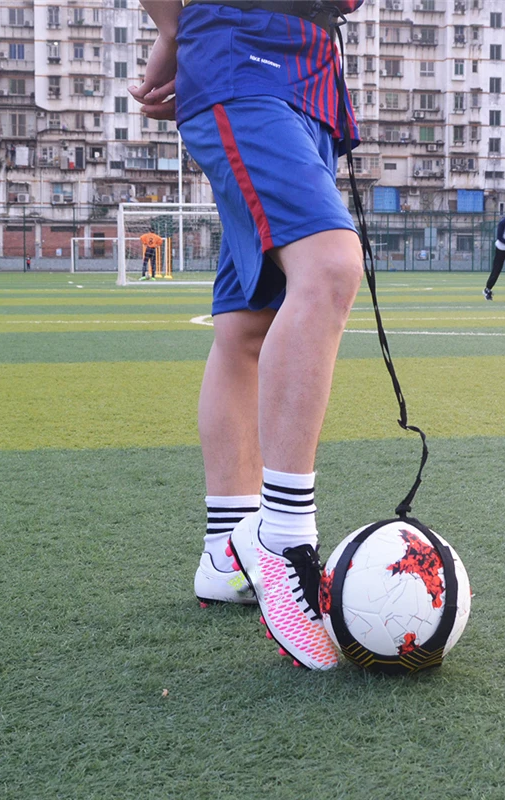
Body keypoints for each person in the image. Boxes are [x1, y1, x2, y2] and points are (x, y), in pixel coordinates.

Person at [131, 0, 364, 670]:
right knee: (328, 265)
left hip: (312, 69)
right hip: (242, 52)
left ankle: (225, 551)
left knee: (248, 322)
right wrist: (173, 30)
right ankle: (283, 540)